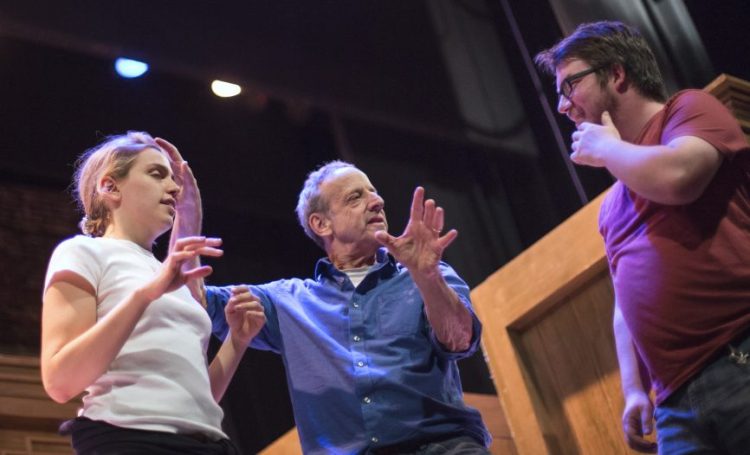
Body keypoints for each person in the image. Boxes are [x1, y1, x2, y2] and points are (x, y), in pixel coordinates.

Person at [172, 160, 491, 454]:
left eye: (374, 193)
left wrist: (427, 276)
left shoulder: (425, 276)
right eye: (355, 198)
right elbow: (193, 301)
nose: (377, 201)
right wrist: (187, 219)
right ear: (321, 224)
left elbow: (460, 340)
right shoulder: (288, 301)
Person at [535, 21, 750, 454]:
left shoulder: (687, 110)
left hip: (737, 357)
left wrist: (607, 148)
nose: (562, 106)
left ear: (616, 74)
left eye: (569, 85)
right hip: (674, 402)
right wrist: (635, 389)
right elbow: (623, 302)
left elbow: (679, 177)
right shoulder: (613, 201)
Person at [41, 131, 265, 454]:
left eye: (174, 180)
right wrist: (145, 295)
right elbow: (60, 381)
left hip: (208, 443)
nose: (174, 188)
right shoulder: (84, 253)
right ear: (110, 186)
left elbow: (195, 395)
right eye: (157, 174)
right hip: (129, 438)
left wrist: (237, 341)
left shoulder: (168, 275)